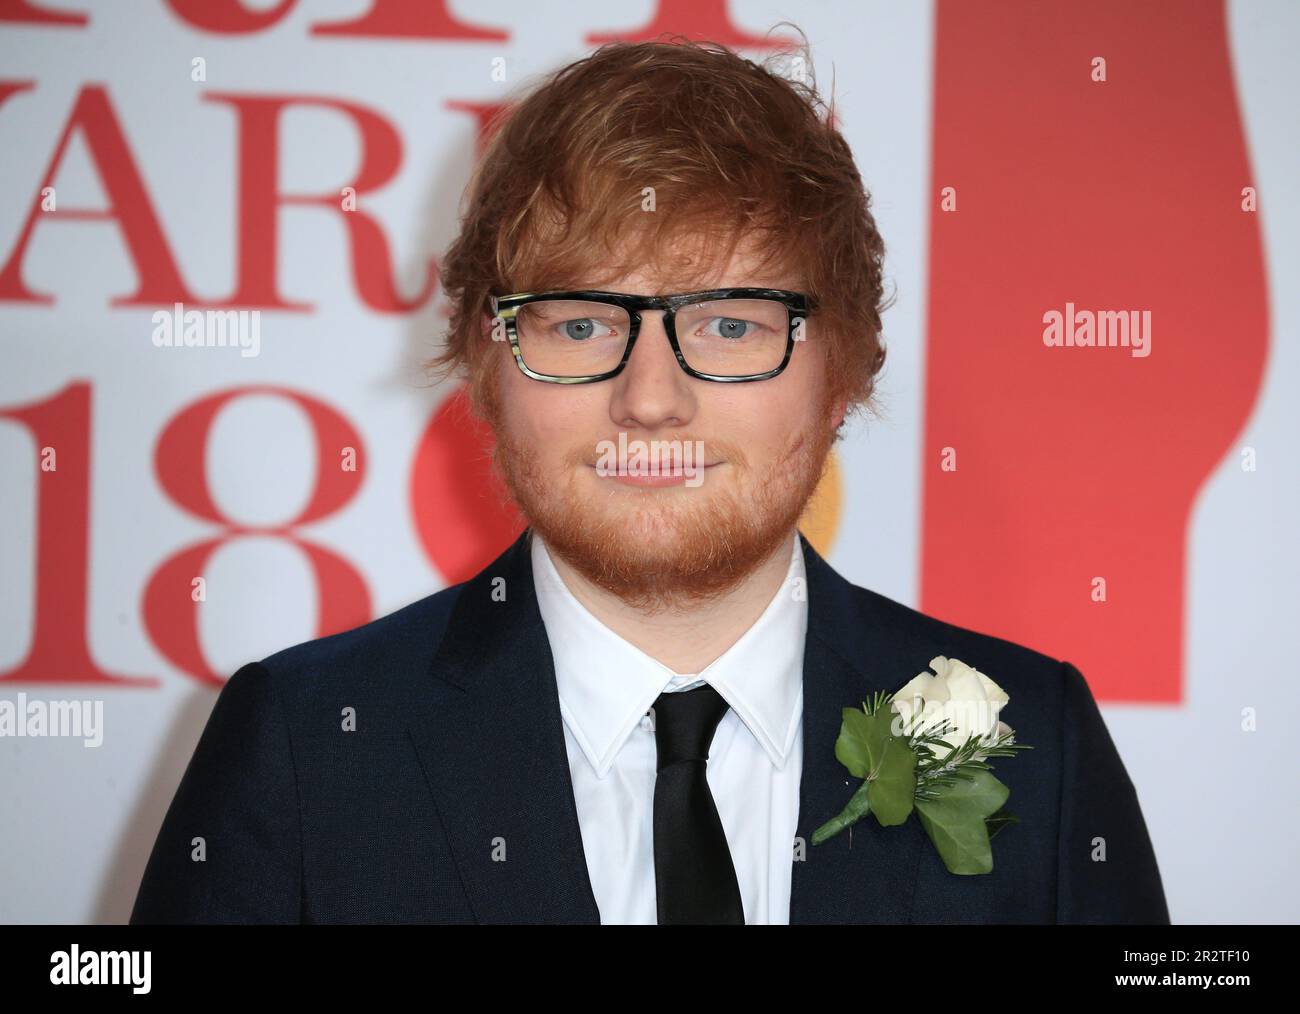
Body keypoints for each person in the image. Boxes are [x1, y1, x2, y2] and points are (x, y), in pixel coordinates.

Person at [130, 35, 1169, 925]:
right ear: (485, 366)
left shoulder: (1037, 743)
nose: (651, 400)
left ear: (840, 369)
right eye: (580, 324)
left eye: (728, 324)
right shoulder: (303, 750)